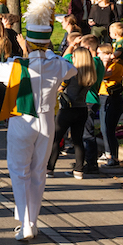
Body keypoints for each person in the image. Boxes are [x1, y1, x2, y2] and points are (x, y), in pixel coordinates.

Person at [0, 0, 77, 240]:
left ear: (26, 42)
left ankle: (26, 223)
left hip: (23, 120)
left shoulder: (15, 66)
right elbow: (72, 70)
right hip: (47, 122)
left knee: (19, 171)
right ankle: (32, 220)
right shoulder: (58, 64)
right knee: (38, 172)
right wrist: (46, 51)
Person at [47, 47, 97, 180]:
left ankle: (50, 168)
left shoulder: (71, 73)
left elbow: (60, 88)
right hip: (82, 109)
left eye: (74, 56)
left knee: (56, 139)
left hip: (67, 109)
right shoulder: (90, 74)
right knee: (78, 140)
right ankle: (79, 170)